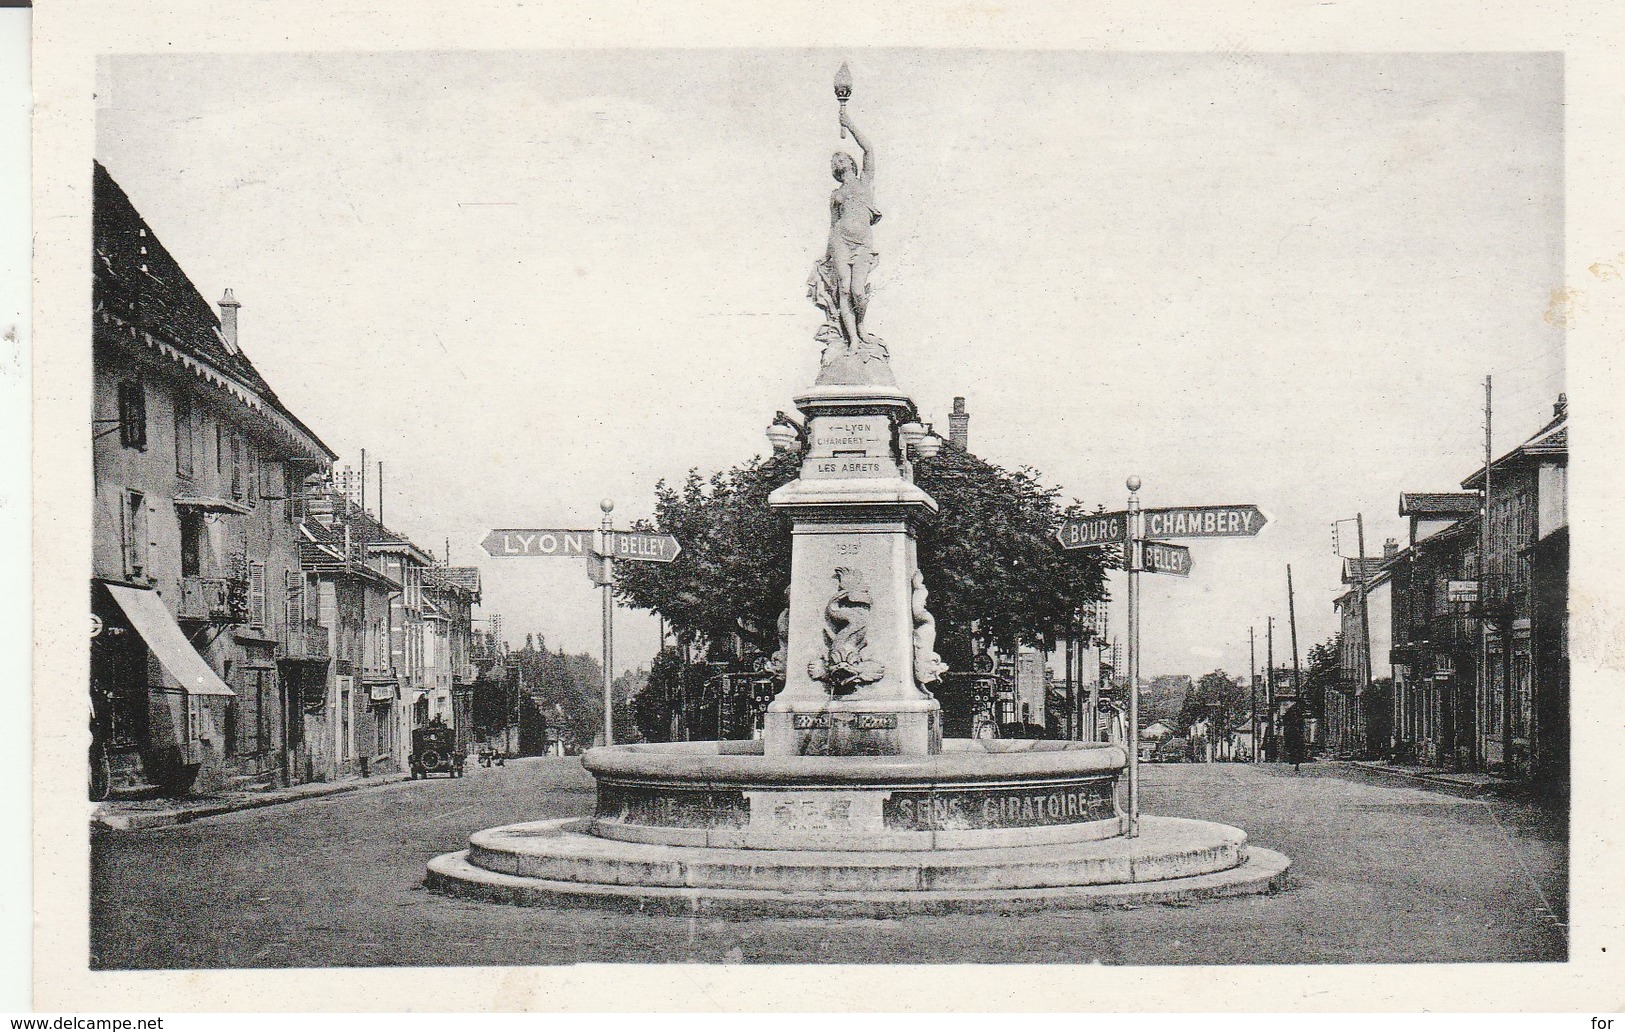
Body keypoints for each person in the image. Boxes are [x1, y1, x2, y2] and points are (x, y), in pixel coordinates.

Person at [817, 108, 882, 351]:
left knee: (858, 290)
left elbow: (869, 149)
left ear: (851, 163)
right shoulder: (836, 195)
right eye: (835, 161)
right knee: (844, 288)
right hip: (840, 242)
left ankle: (861, 327)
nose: (838, 161)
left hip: (862, 243)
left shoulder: (865, 180)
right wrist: (827, 255)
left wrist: (849, 123)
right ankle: (853, 339)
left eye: (842, 158)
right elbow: (832, 225)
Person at [1283, 702, 1307, 773]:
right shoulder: (1298, 715)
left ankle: (1295, 762)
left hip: (1292, 733)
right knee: (1297, 748)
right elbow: (1301, 725)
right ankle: (1296, 762)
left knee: (1293, 748)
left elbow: (1285, 722)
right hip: (1296, 733)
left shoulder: (1289, 714)